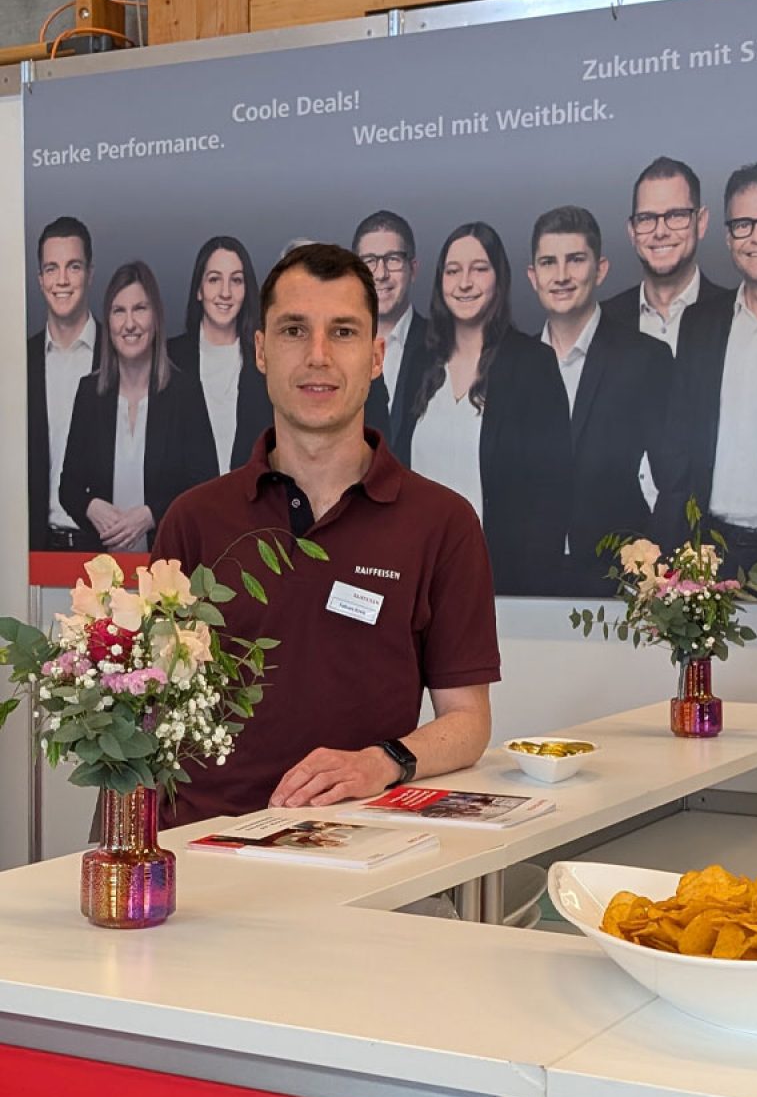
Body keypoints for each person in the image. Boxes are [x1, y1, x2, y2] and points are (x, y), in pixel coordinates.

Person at [152, 242, 500, 826]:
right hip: (203, 845)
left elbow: (468, 720)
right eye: (294, 330)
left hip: (360, 846)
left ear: (376, 356)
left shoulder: (443, 523)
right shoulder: (193, 519)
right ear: (261, 351)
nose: (318, 356)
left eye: (343, 332)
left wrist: (382, 761)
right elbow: (147, 710)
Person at [653, 161, 757, 572]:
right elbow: (678, 446)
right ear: (728, 236)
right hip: (709, 553)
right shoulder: (701, 323)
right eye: (743, 225)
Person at [393, 222, 571, 595]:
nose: (464, 283)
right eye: (453, 270)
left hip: (498, 577)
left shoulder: (532, 363)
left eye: (479, 269)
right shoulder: (420, 361)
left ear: (499, 278)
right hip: (417, 572)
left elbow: (551, 495)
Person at [526, 205, 671, 592]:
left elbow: (675, 482)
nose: (561, 276)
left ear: (600, 269)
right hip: (525, 576)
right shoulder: (511, 363)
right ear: (532, 276)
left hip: (618, 580)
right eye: (548, 262)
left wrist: (652, 575)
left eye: (575, 260)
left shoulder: (646, 359)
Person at [59, 261, 216, 553]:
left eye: (140, 309)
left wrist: (151, 515)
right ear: (108, 321)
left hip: (168, 564)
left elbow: (205, 485)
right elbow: (69, 487)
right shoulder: (89, 394)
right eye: (119, 311)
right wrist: (91, 506)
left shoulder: (185, 393)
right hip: (100, 568)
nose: (129, 323)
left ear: (156, 317)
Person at [601, 155, 729, 353]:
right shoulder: (602, 322)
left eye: (676, 215)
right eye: (646, 218)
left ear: (701, 222)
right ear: (632, 231)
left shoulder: (734, 315)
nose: (660, 232)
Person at [167, 236, 272, 470]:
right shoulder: (168, 358)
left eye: (236, 280)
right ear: (199, 290)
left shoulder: (266, 360)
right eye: (214, 279)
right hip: (186, 494)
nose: (225, 292)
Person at [27, 216, 100, 551]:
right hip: (34, 550)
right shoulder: (19, 363)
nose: (62, 280)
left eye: (73, 266)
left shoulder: (119, 354)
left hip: (106, 550)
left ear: (90, 273)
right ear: (40, 279)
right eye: (51, 269)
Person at [352, 209, 430, 443]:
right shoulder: (334, 347)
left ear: (413, 269)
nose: (380, 274)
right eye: (369, 261)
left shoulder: (443, 345)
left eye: (393, 259)